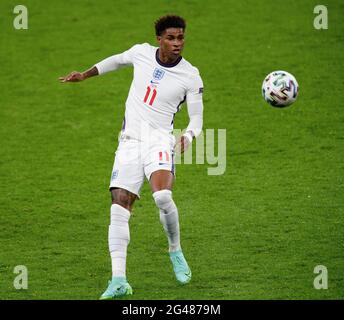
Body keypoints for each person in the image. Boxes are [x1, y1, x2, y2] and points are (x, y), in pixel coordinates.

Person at [59, 15, 204, 299]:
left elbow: (197, 118)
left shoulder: (190, 75)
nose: (177, 43)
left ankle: (175, 250)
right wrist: (85, 75)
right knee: (118, 208)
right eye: (171, 38)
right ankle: (119, 280)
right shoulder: (140, 53)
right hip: (129, 142)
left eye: (181, 38)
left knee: (162, 196)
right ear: (159, 39)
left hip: (160, 141)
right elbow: (116, 60)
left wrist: (188, 136)